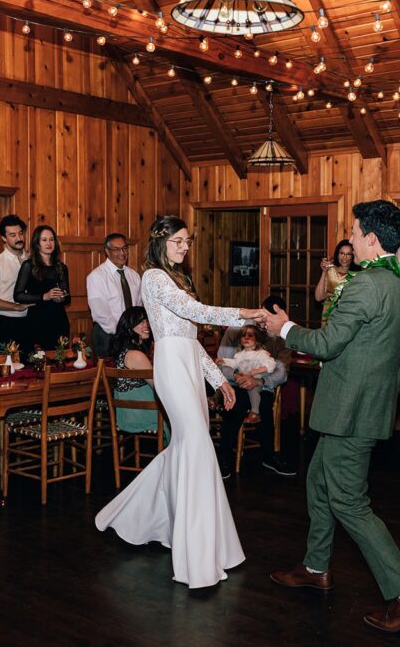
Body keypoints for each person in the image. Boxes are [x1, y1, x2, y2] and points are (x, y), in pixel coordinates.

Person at [265, 200, 400, 634]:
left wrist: (283, 327)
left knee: (350, 504)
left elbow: (326, 344)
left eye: (356, 232)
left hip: (348, 413)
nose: (352, 239)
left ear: (373, 239)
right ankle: (316, 566)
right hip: (366, 409)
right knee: (319, 481)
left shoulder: (365, 285)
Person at [95, 215, 266, 590]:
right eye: (178, 241)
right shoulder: (154, 278)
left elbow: (190, 337)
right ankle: (196, 557)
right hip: (171, 369)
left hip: (188, 362)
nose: (184, 247)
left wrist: (220, 380)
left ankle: (139, 516)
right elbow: (199, 315)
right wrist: (244, 313)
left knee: (185, 450)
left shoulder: (181, 280)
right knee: (197, 447)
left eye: (187, 242)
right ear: (160, 242)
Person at [215, 295, 296, 479]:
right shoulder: (237, 330)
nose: (266, 323)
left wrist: (258, 381)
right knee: (234, 403)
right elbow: (221, 364)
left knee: (263, 403)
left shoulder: (281, 337)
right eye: (264, 317)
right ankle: (224, 458)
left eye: (272, 319)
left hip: (262, 384)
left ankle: (269, 457)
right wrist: (236, 376)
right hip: (234, 382)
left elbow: (282, 371)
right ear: (259, 309)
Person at [109, 306, 163, 436]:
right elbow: (158, 387)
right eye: (141, 322)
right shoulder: (136, 355)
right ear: (129, 327)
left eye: (147, 320)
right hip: (140, 414)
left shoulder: (125, 352)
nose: (147, 325)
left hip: (128, 413)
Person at [0, 215, 31, 354]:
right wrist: (16, 307)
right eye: (13, 235)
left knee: (33, 368)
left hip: (32, 322)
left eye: (21, 233)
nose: (19, 238)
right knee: (7, 371)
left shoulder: (32, 260)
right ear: (3, 237)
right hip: (6, 324)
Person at [14, 225, 70, 350]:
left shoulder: (62, 267)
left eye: (51, 239)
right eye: (44, 240)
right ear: (37, 243)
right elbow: (18, 295)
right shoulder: (28, 266)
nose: (49, 243)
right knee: (38, 364)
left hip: (59, 321)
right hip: (37, 321)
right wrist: (44, 296)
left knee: (60, 363)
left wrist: (61, 298)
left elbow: (68, 298)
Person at [87, 232, 142, 359]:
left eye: (124, 248)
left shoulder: (134, 275)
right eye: (116, 249)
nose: (122, 253)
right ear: (107, 251)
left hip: (132, 335)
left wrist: (135, 330)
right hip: (108, 336)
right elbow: (100, 314)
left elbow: (138, 306)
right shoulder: (97, 276)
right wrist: (122, 332)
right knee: (110, 377)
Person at [219, 325, 277, 423]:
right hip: (243, 381)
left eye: (250, 335)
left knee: (252, 389)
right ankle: (215, 399)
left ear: (257, 339)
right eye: (243, 336)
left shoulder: (261, 353)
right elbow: (234, 363)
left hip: (256, 381)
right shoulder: (239, 354)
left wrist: (258, 370)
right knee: (224, 382)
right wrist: (224, 361)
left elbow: (271, 364)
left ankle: (255, 412)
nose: (246, 338)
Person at [315, 239, 360, 323]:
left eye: (348, 254)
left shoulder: (358, 275)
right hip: (330, 316)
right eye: (341, 253)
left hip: (349, 316)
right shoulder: (330, 270)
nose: (344, 257)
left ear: (353, 255)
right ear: (337, 254)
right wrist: (324, 272)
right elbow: (318, 297)